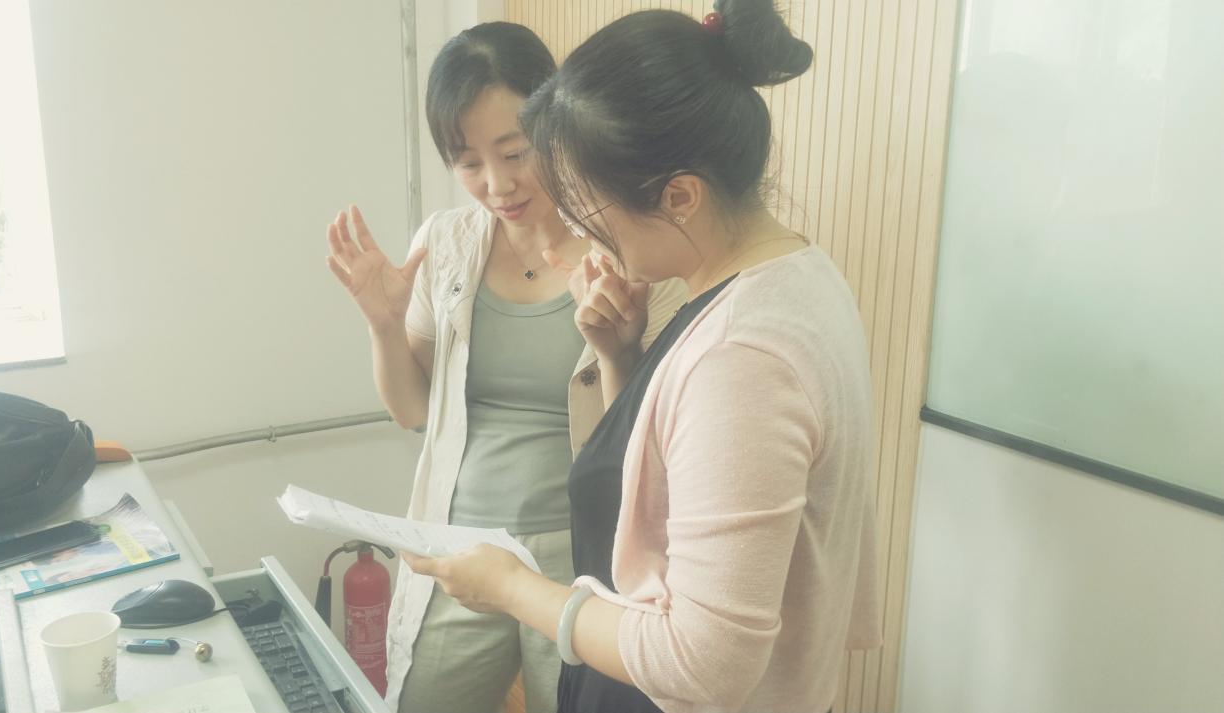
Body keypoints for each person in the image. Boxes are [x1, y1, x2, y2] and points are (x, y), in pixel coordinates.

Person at [401, 2, 883, 712]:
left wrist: (512, 588)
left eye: (588, 205)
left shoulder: (740, 357)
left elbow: (701, 664)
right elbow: (682, 487)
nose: (581, 228)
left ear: (679, 196)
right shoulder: (795, 274)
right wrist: (622, 359)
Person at [324, 21, 687, 713]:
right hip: (460, 545)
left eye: (515, 151)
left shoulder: (627, 248)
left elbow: (648, 440)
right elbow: (411, 411)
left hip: (578, 558)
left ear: (556, 124)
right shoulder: (447, 242)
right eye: (468, 163)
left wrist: (621, 343)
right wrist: (383, 323)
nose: (497, 184)